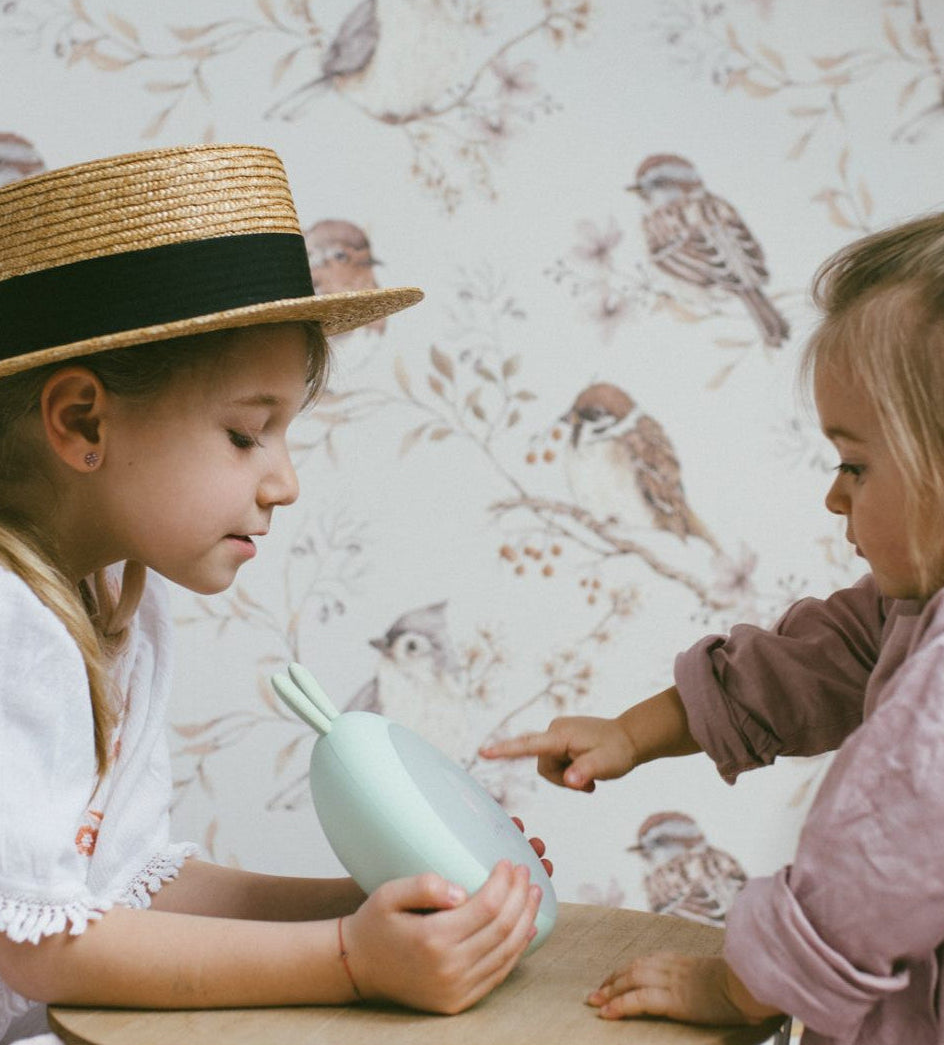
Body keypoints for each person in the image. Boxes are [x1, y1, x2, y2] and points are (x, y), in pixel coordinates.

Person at [0, 144, 547, 1045]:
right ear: (83, 421)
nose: (284, 481)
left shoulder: (117, 601)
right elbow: (42, 947)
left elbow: (126, 883)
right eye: (248, 434)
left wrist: (392, 905)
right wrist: (347, 959)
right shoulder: (15, 625)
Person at [482, 210, 944, 1044]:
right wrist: (633, 732)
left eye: (855, 464)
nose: (835, 496)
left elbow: (877, 858)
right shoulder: (912, 608)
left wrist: (742, 990)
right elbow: (817, 657)